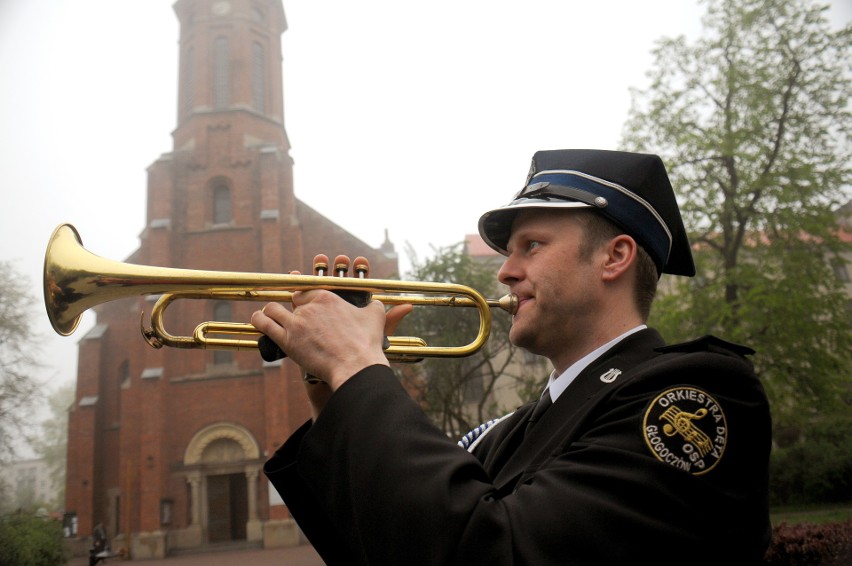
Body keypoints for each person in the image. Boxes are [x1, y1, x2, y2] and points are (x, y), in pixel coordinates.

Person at [252, 149, 772, 564]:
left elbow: (493, 551)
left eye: (533, 246)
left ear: (614, 257)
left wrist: (357, 365)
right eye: (509, 252)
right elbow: (385, 545)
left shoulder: (697, 393)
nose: (505, 271)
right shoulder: (506, 433)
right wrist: (331, 390)